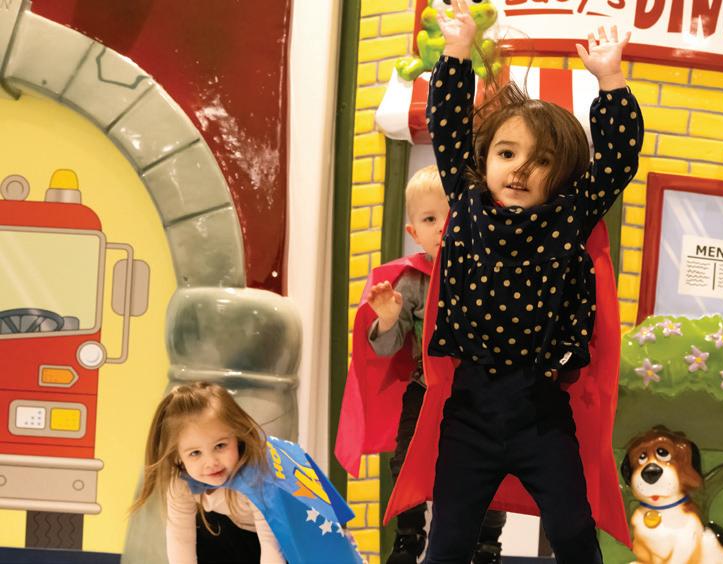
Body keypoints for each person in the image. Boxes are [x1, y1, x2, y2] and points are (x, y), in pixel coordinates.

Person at [385, 1, 644, 561]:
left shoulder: (570, 215)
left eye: (541, 161)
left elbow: (619, 159)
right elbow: (447, 125)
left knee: (574, 533)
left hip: (540, 409)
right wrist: (457, 51)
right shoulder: (468, 201)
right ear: (485, 160)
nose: (521, 169)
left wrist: (611, 81)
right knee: (448, 541)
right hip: (470, 410)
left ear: (563, 177)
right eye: (507, 153)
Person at [337, 165, 506, 564]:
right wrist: (388, 319)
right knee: (407, 458)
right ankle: (409, 534)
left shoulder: (493, 272)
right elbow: (387, 349)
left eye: (453, 214)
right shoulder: (412, 281)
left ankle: (486, 542)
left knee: (491, 464)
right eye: (430, 219)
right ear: (414, 233)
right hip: (426, 386)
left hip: (481, 391)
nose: (443, 226)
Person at [134, 382, 359, 564]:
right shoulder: (181, 482)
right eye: (195, 453)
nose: (211, 462)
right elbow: (180, 540)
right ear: (177, 456)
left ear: (238, 436)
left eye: (220, 446)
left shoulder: (258, 478)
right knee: (206, 527)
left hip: (294, 537)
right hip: (244, 536)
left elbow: (273, 548)